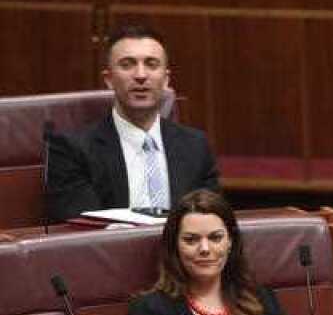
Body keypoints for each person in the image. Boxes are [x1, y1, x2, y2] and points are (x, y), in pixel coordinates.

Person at [45, 24, 220, 222]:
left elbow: (211, 222)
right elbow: (84, 230)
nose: (140, 75)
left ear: (165, 80)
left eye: (151, 64)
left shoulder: (195, 146)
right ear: (109, 79)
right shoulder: (72, 150)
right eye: (127, 65)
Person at [126, 189, 293, 315]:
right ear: (174, 246)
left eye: (215, 238)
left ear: (230, 242)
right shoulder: (150, 311)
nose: (205, 248)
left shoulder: (261, 298)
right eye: (191, 240)